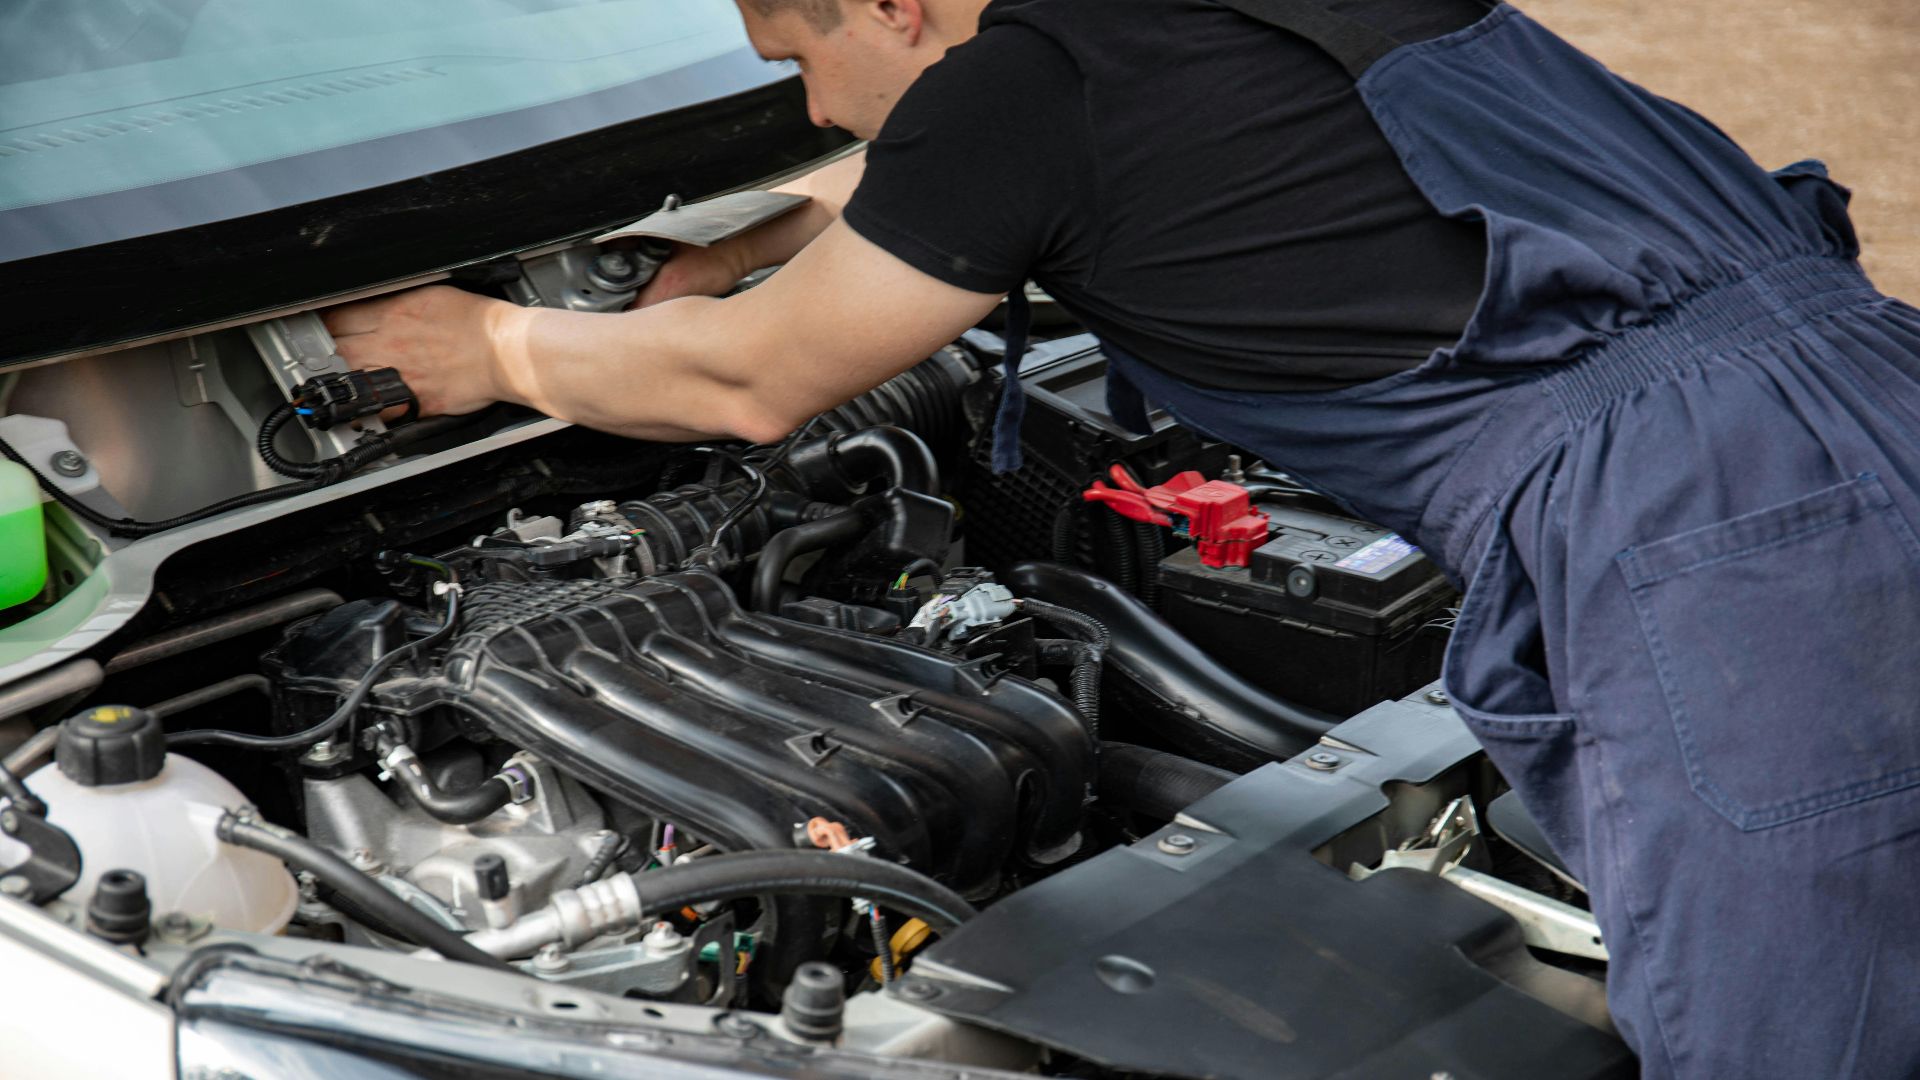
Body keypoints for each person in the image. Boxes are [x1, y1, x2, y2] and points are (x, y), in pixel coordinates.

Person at [324, 0, 1920, 1074]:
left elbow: (752, 382)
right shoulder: (1157, 34)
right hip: (1867, 390)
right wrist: (757, 239)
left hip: (1715, 531)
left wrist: (497, 353)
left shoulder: (1020, 91)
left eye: (795, 49)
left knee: (1791, 1029)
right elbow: (1014, 176)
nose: (807, 106)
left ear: (895, 2)